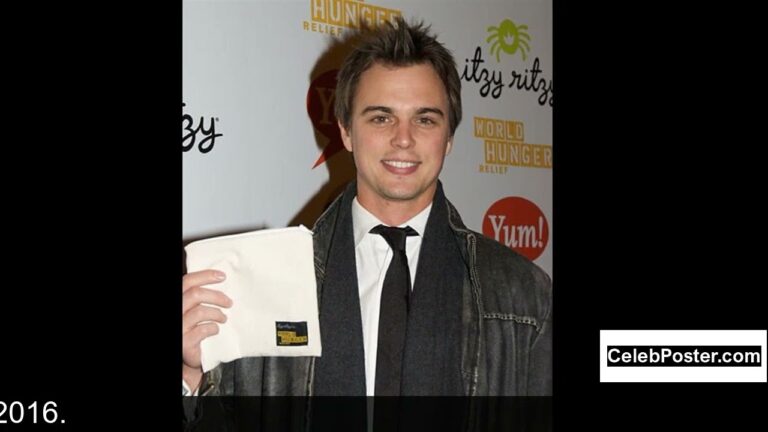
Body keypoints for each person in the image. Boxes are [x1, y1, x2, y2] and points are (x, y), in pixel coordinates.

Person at [182, 17, 551, 399]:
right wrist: (191, 378)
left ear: (449, 137)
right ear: (345, 131)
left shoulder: (521, 294)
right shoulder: (264, 281)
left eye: (425, 119)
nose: (403, 139)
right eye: (381, 117)